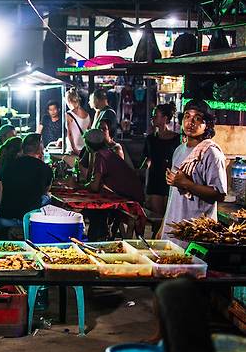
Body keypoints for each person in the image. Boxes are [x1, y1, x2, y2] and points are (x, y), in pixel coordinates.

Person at [160, 100, 227, 245]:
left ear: (207, 125)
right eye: (187, 116)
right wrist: (162, 227)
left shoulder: (211, 153)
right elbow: (173, 196)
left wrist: (186, 183)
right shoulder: (179, 150)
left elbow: (219, 194)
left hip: (196, 233)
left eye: (197, 118)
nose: (190, 122)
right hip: (173, 231)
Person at [0, 133, 53, 240]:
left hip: (6, 217)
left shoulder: (7, 166)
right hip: (30, 218)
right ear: (40, 150)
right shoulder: (45, 168)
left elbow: (1, 198)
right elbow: (46, 190)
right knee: (48, 197)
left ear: (23, 148)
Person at [83, 128, 144, 241]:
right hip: (132, 195)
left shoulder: (101, 156)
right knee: (98, 209)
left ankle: (98, 238)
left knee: (96, 211)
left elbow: (94, 187)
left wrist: (78, 186)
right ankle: (100, 235)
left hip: (131, 200)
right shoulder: (107, 153)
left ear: (88, 145)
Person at [141, 104, 181, 216]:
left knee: (170, 215)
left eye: (156, 116)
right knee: (156, 216)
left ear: (165, 118)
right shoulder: (150, 139)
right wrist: (139, 172)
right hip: (155, 180)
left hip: (171, 179)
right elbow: (147, 160)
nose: (152, 118)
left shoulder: (177, 139)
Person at [64, 89, 91, 155]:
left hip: (72, 150)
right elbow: (89, 132)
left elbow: (70, 133)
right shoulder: (87, 115)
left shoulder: (69, 114)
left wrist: (74, 148)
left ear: (68, 100)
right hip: (84, 149)